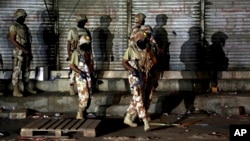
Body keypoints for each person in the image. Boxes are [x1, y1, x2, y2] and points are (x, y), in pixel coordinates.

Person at [122, 30, 157, 132]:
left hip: (145, 75)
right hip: (135, 77)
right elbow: (124, 62)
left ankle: (128, 117)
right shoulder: (131, 49)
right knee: (139, 97)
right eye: (141, 39)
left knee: (139, 98)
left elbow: (154, 62)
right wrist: (133, 70)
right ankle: (145, 120)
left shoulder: (147, 48)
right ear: (136, 39)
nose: (143, 41)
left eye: (144, 39)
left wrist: (151, 51)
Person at [69, 16, 94, 119]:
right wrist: (80, 72)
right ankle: (80, 113)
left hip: (87, 75)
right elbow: (72, 65)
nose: (88, 46)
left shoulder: (88, 52)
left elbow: (90, 64)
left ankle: (84, 112)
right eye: (86, 44)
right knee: (84, 96)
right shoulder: (77, 53)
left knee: (90, 95)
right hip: (81, 76)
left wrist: (92, 74)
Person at [9, 9, 37, 97]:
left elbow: (28, 40)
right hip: (18, 52)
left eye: (24, 17)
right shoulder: (14, 26)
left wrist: (29, 52)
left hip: (26, 51)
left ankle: (26, 87)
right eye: (23, 17)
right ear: (19, 16)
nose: (24, 18)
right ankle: (16, 90)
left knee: (26, 70)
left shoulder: (24, 27)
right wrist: (23, 49)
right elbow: (13, 40)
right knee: (17, 70)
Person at [67, 14, 93, 95]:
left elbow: (89, 44)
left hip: (85, 53)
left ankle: (85, 87)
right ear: (78, 21)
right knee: (73, 71)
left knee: (85, 69)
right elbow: (68, 43)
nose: (84, 23)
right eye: (82, 21)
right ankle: (71, 87)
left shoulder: (86, 31)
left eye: (84, 21)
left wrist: (91, 54)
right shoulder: (73, 30)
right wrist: (69, 54)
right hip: (76, 52)